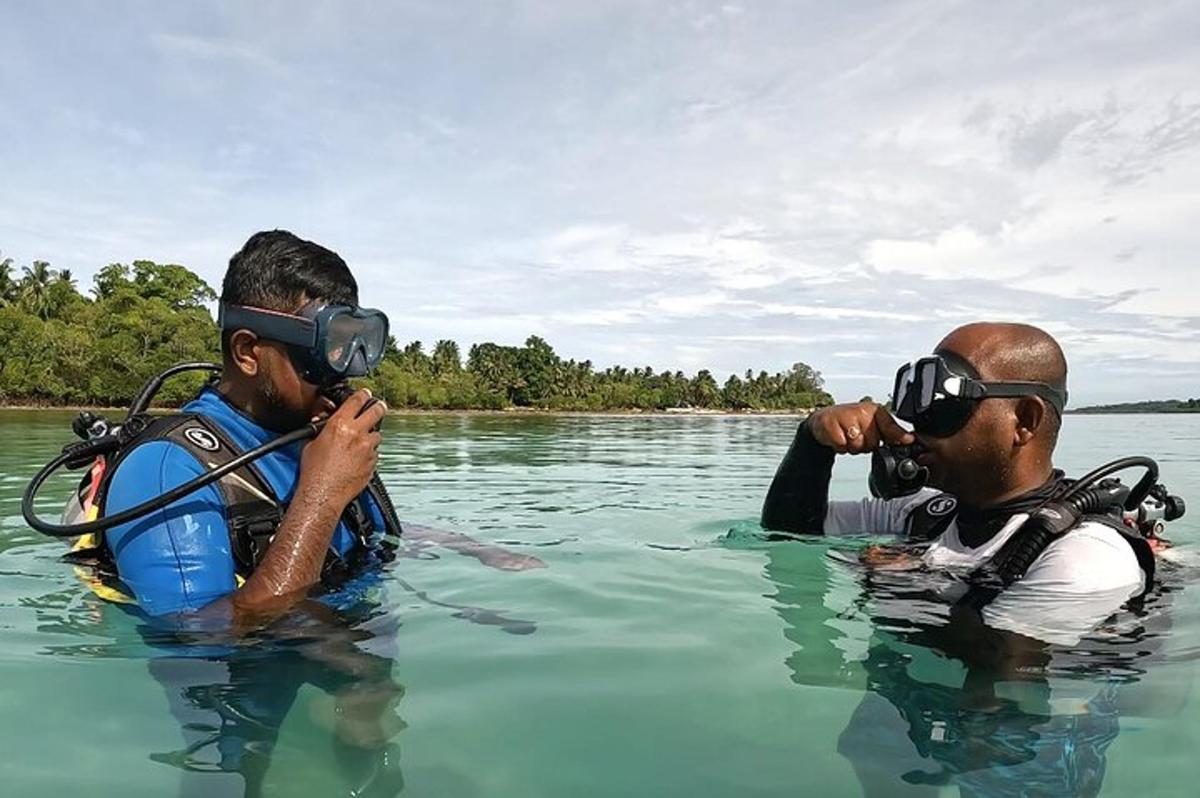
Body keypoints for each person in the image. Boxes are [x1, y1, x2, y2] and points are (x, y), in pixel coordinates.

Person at [761, 321, 1153, 648]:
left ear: (1025, 421)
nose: (919, 425)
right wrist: (811, 441)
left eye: (944, 403)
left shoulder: (1085, 558)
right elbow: (791, 529)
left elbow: (999, 679)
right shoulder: (927, 513)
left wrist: (907, 586)